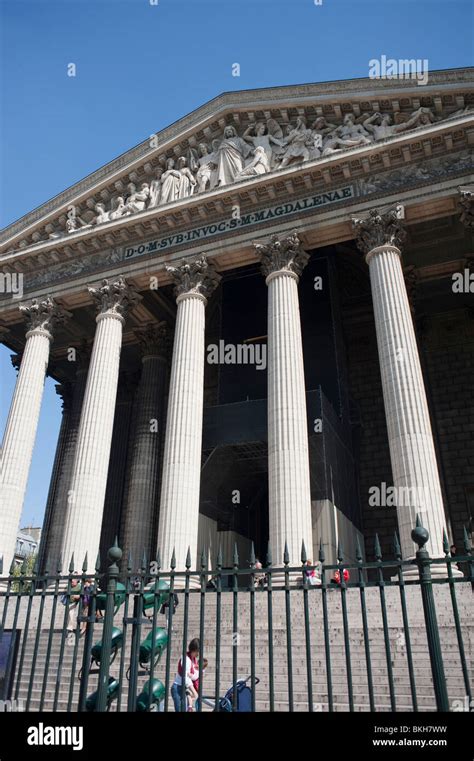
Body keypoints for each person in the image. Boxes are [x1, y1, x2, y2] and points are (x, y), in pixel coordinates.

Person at [171, 638, 206, 712]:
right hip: (178, 688)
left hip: (184, 688)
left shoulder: (193, 659)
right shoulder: (186, 659)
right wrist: (194, 692)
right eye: (198, 651)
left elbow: (193, 676)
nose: (198, 654)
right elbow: (186, 678)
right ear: (194, 649)